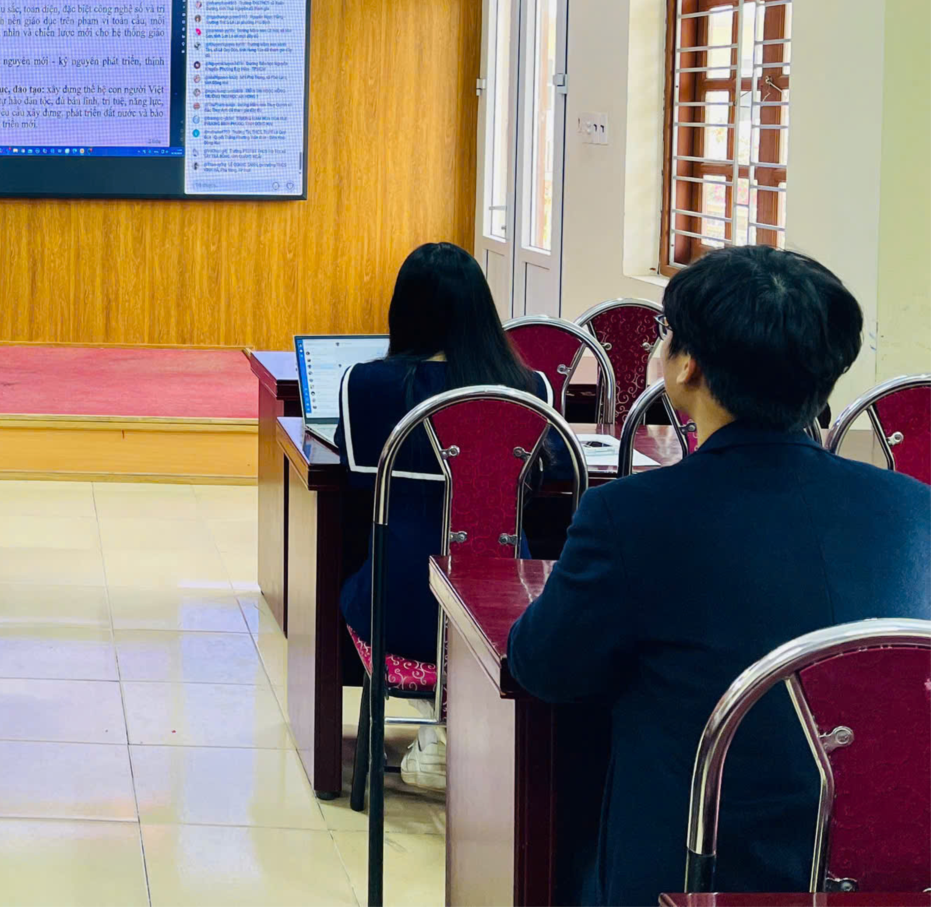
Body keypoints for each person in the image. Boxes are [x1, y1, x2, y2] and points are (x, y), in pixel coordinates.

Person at [508, 247, 931, 907]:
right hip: (881, 877)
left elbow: (544, 667)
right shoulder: (913, 509)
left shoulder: (631, 514)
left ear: (689, 365)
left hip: (694, 875)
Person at [332, 241, 552, 791]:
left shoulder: (366, 384)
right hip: (505, 613)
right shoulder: (529, 389)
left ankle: (441, 729)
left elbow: (355, 479)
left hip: (398, 608)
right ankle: (457, 729)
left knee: (356, 574)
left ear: (402, 311)